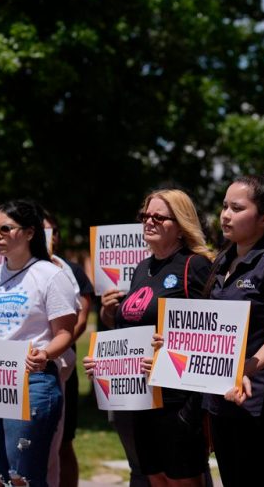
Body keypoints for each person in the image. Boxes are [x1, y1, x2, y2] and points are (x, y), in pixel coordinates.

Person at [86, 189, 214, 486]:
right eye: (146, 216)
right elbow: (128, 330)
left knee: (182, 480)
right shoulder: (143, 268)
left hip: (178, 400)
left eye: (159, 216)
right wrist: (103, 363)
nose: (149, 222)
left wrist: (169, 351)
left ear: (180, 225)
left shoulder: (194, 265)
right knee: (155, 478)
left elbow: (209, 331)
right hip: (140, 399)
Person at [0, 199, 77, 487]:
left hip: (33, 381)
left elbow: (65, 333)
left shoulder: (50, 275)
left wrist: (44, 353)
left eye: (6, 229)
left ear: (30, 233)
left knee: (23, 476)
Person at [196, 175, 264, 486]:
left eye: (237, 208)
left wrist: (247, 369)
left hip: (257, 404)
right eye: (225, 206)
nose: (226, 214)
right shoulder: (222, 260)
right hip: (219, 401)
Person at [42, 211, 93, 487]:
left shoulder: (72, 272)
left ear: (57, 238)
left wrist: (51, 347)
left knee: (63, 442)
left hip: (61, 369)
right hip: (25, 369)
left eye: (48, 231)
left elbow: (81, 321)